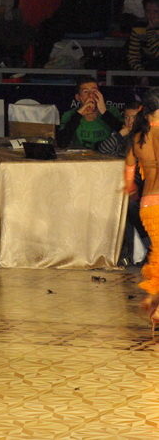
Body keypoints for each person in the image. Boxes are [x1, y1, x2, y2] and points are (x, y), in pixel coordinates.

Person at [124, 88, 159, 333]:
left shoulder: (137, 137)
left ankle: (154, 302)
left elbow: (129, 175)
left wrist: (132, 185)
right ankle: (154, 303)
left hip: (147, 205)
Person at [100, 102, 149, 265]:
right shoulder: (124, 136)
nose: (130, 121)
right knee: (117, 202)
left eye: (134, 118)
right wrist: (122, 133)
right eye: (127, 118)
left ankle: (149, 248)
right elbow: (103, 150)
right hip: (124, 185)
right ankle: (124, 253)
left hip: (145, 188)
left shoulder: (148, 136)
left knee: (129, 205)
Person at [56, 75, 123, 149]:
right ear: (78, 97)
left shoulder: (111, 111)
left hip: (107, 154)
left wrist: (104, 112)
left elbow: (126, 134)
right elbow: (62, 143)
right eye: (85, 92)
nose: (90, 95)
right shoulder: (69, 114)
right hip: (79, 155)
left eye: (94, 91)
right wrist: (78, 115)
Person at [126, 0, 159, 71]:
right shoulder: (138, 28)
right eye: (148, 11)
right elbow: (133, 57)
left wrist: (150, 31)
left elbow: (157, 54)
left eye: (156, 11)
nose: (152, 15)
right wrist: (141, 74)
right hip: (146, 66)